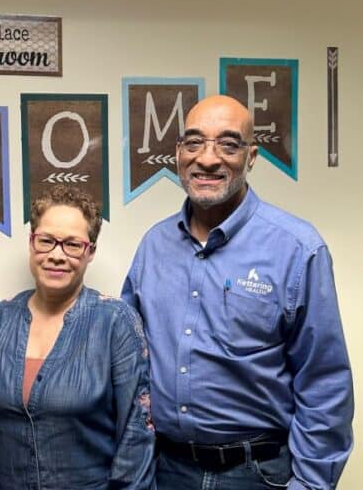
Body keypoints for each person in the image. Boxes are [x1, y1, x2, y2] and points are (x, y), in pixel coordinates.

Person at [122, 95, 353, 489]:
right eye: (193, 142)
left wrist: (311, 484)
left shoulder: (297, 249)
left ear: (252, 156)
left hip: (257, 473)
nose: (208, 159)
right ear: (178, 153)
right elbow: (129, 363)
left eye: (228, 145)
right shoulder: (153, 246)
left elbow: (324, 382)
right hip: (166, 470)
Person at [0, 185, 154, 489]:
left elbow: (136, 439)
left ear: (90, 252)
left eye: (72, 245)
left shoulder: (116, 324)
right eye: (46, 241)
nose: (57, 255)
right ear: (31, 243)